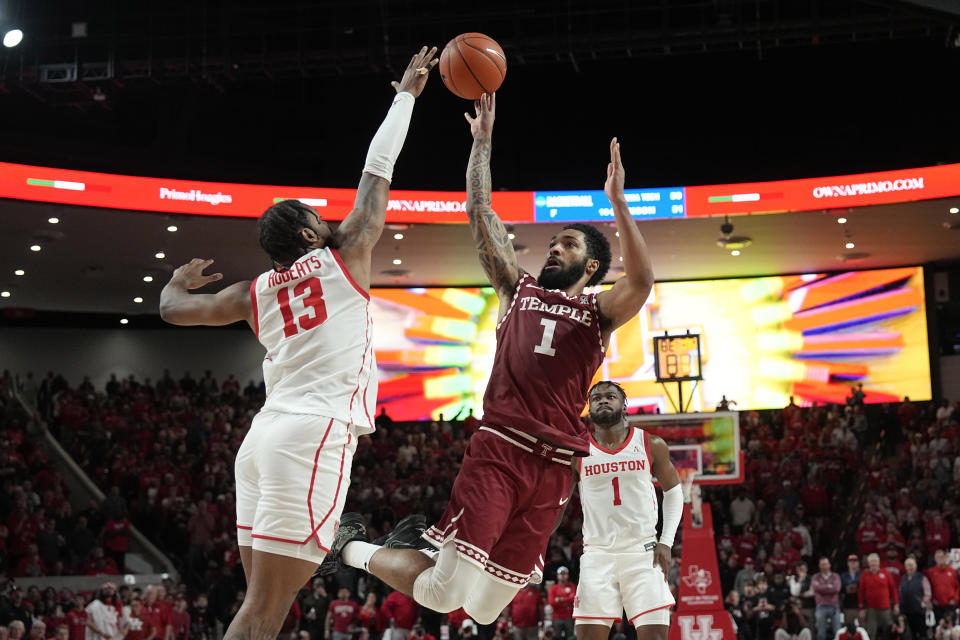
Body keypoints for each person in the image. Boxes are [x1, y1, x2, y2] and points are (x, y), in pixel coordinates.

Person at [324, 92, 655, 626]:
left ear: (591, 265)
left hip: (554, 471)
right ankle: (350, 548)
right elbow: (480, 213)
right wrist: (482, 143)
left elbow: (641, 281)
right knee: (441, 589)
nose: (553, 248)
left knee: (481, 609)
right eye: (553, 241)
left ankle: (384, 548)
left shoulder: (600, 312)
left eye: (566, 245)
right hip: (500, 450)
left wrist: (618, 202)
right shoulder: (515, 287)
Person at [157, 46, 438, 640]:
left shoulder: (251, 293)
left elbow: (174, 310)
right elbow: (377, 169)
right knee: (264, 608)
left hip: (260, 443)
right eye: (317, 215)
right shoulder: (347, 255)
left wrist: (174, 283)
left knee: (267, 608)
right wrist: (406, 95)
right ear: (311, 232)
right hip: (311, 437)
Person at [571, 381, 682, 640]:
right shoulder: (577, 451)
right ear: (589, 408)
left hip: (643, 552)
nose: (603, 400)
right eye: (596, 398)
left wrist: (665, 542)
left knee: (655, 637)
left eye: (611, 396)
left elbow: (674, 492)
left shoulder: (651, 443)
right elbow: (559, 503)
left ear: (624, 406)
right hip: (597, 554)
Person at [858, 553, 898, 640]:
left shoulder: (885, 573)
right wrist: (861, 608)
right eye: (871, 562)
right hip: (871, 609)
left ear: (879, 562)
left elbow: (893, 589)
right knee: (871, 632)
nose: (873, 564)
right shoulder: (864, 575)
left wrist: (896, 604)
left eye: (875, 561)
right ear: (868, 563)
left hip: (885, 608)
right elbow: (861, 592)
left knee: (889, 630)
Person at [898, 557, 931, 640]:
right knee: (911, 634)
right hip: (907, 610)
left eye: (911, 565)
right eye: (907, 565)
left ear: (915, 566)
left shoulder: (922, 577)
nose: (909, 567)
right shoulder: (903, 578)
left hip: (919, 611)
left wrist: (922, 604)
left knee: (922, 633)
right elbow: (900, 592)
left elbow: (928, 593)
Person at [812, 557, 843, 640]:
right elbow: (816, 588)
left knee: (838, 631)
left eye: (825, 564)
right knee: (821, 633)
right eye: (822, 564)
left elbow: (837, 589)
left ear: (829, 565)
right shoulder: (815, 577)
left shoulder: (835, 576)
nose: (824, 566)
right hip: (821, 607)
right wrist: (829, 587)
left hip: (834, 607)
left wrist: (823, 589)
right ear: (819, 566)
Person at [926, 549, 959, 624]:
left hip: (950, 604)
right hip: (937, 605)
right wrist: (932, 599)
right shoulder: (930, 572)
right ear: (935, 559)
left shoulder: (952, 571)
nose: (940, 559)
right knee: (938, 626)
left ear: (945, 558)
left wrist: (955, 599)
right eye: (938, 557)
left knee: (952, 627)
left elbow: (957, 587)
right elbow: (927, 588)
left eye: (942, 557)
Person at [548, 567, 576, 640]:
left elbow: (574, 599)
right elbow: (551, 602)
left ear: (568, 575)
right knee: (557, 637)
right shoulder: (553, 588)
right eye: (561, 574)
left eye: (565, 574)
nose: (563, 576)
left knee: (570, 637)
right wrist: (567, 600)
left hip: (569, 617)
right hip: (557, 617)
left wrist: (560, 599)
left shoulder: (572, 586)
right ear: (557, 576)